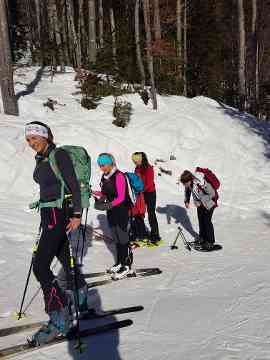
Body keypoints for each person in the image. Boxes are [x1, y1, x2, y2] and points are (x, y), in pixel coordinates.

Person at [25, 121, 88, 345]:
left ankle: (59, 317)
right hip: (48, 213)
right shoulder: (41, 159)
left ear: (46, 136)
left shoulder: (58, 154)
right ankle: (80, 300)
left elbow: (73, 184)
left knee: (41, 266)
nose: (31, 143)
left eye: (34, 138)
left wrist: (77, 214)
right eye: (28, 139)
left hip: (58, 214)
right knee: (64, 258)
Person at [94, 153, 133, 280]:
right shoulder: (105, 176)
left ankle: (126, 265)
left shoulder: (119, 176)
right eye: (100, 165)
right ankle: (120, 262)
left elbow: (121, 197)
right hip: (111, 211)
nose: (102, 168)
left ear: (111, 163)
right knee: (116, 237)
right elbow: (104, 193)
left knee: (122, 237)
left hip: (122, 210)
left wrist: (108, 205)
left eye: (104, 165)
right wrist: (94, 193)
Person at [179, 169, 217, 251]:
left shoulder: (201, 183)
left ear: (189, 180)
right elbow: (188, 189)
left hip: (209, 204)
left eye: (185, 183)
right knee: (201, 221)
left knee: (207, 221)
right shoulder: (190, 184)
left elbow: (212, 194)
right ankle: (202, 239)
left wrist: (200, 201)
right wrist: (187, 200)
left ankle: (210, 242)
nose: (184, 185)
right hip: (200, 205)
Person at [132, 152, 161, 244]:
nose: (135, 163)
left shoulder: (149, 168)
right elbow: (136, 180)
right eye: (134, 161)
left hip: (150, 193)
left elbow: (148, 183)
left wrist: (141, 189)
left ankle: (155, 235)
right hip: (141, 193)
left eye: (136, 161)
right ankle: (142, 233)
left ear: (141, 160)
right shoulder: (137, 168)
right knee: (139, 212)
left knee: (151, 213)